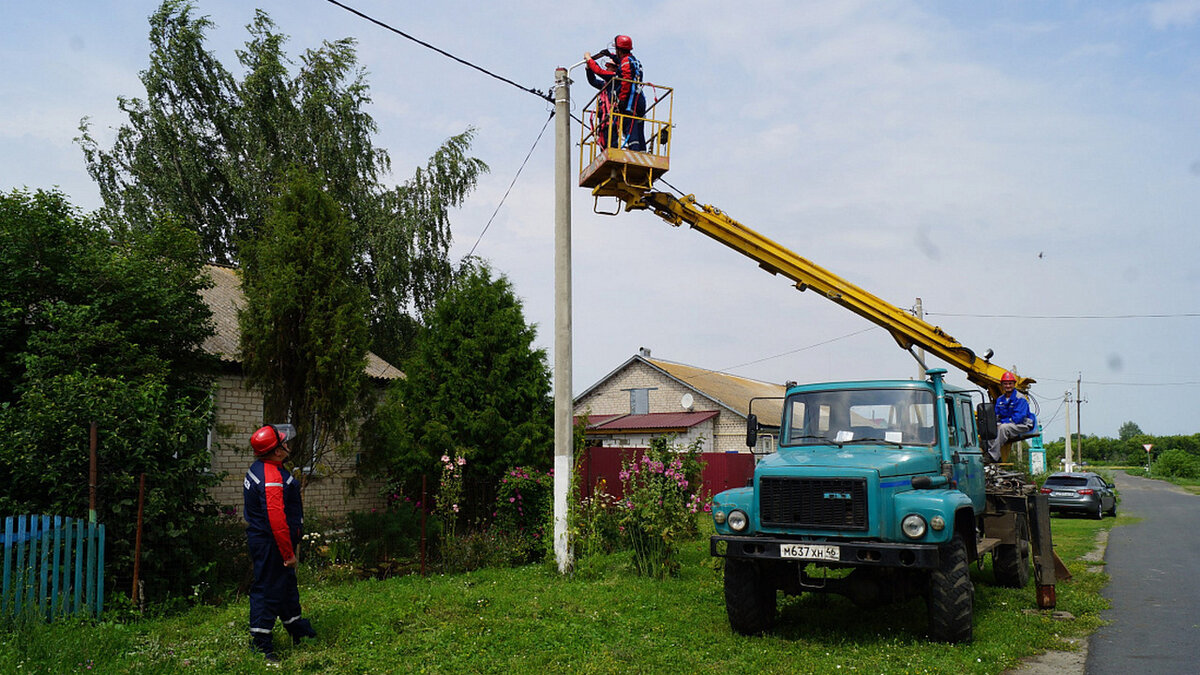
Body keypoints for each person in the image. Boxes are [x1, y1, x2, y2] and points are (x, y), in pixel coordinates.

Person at [244, 423, 316, 662]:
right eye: (283, 443)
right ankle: (261, 645)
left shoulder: (263, 467)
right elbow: (276, 520)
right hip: (272, 544)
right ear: (276, 451)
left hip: (269, 541)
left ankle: (298, 630)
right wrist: (288, 554)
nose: (287, 445)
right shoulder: (272, 477)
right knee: (267, 590)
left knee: (285, 586)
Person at [585, 34, 646, 151]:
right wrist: (609, 55)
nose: (608, 68)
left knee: (630, 126)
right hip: (638, 100)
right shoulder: (633, 61)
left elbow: (602, 72)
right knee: (638, 126)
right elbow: (593, 80)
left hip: (629, 103)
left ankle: (635, 151)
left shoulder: (617, 76)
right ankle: (641, 151)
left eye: (610, 66)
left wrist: (589, 60)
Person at [986, 372, 1036, 463]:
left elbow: (1018, 418)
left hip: (1022, 425)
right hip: (1007, 423)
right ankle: (993, 455)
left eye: (1010, 383)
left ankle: (993, 457)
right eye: (1005, 384)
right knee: (990, 429)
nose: (1008, 386)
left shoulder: (1020, 398)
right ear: (1002, 385)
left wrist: (1002, 422)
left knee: (1003, 428)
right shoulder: (1000, 399)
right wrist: (994, 423)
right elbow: (997, 415)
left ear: (1014, 384)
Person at [583, 55, 618, 148]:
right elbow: (593, 81)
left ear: (615, 68)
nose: (606, 68)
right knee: (604, 141)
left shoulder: (616, 80)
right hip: (604, 118)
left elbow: (599, 72)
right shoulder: (605, 84)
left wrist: (591, 61)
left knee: (612, 140)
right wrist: (589, 68)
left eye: (609, 66)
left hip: (613, 118)